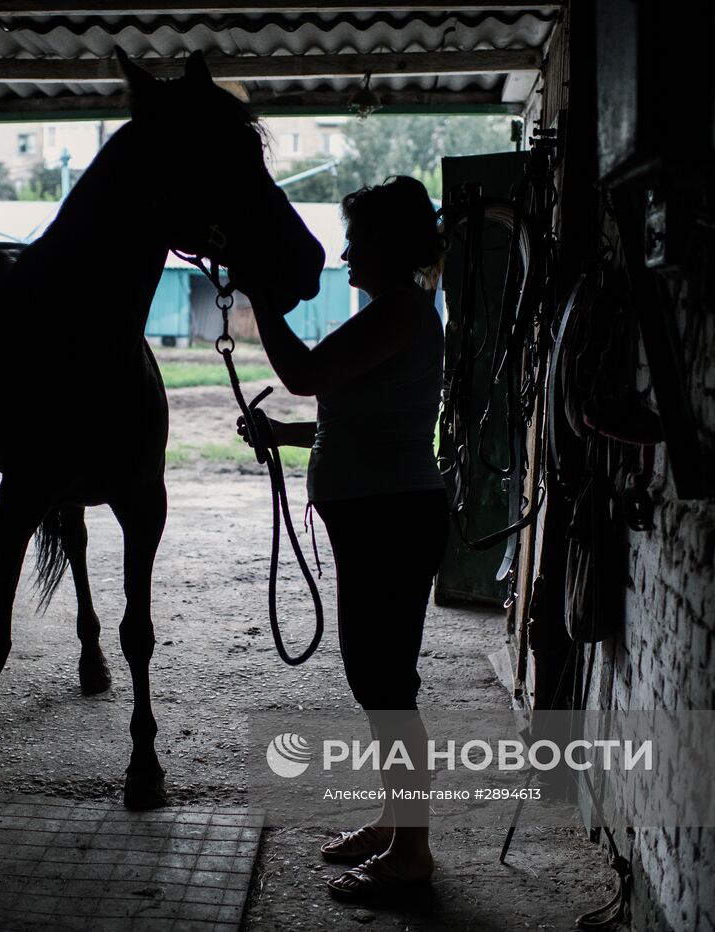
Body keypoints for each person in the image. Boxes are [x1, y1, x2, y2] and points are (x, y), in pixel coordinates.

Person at [239, 175, 449, 902]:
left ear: (390, 245)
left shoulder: (402, 313)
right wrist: (285, 435)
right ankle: (397, 824)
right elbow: (351, 418)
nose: (348, 252)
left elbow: (301, 372)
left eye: (358, 240)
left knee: (386, 684)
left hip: (390, 519)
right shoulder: (395, 315)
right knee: (379, 681)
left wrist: (257, 292)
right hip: (380, 516)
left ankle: (413, 854)